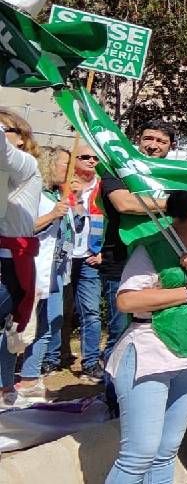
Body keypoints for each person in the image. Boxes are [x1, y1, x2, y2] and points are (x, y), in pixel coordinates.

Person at [104, 190, 187, 483]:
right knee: (139, 454)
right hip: (151, 353)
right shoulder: (152, 247)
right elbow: (127, 301)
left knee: (166, 450)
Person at [96, 120, 177, 376]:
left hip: (162, 261)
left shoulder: (173, 174)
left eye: (161, 141)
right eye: (148, 139)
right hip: (120, 261)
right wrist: (175, 203)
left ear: (170, 147)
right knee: (120, 334)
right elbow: (125, 204)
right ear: (138, 140)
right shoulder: (115, 169)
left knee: (155, 332)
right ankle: (112, 399)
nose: (153, 146)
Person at [15, 146, 78, 402]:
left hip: (56, 272)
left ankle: (30, 378)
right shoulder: (34, 195)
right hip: (33, 269)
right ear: (49, 165)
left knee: (50, 324)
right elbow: (22, 228)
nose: (70, 170)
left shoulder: (57, 194)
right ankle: (8, 382)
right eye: (66, 164)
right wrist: (52, 215)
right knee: (21, 329)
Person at [0, 111, 43, 408]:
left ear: (21, 138)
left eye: (4, 128)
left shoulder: (27, 166)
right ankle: (6, 389)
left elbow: (4, 155)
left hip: (7, 265)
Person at [59, 140, 104, 376]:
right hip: (63, 258)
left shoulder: (103, 187)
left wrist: (103, 250)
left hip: (89, 258)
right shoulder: (60, 185)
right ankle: (56, 357)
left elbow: (112, 223)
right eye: (85, 157)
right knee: (59, 311)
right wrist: (73, 197)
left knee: (91, 312)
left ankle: (90, 363)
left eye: (95, 158)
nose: (91, 161)